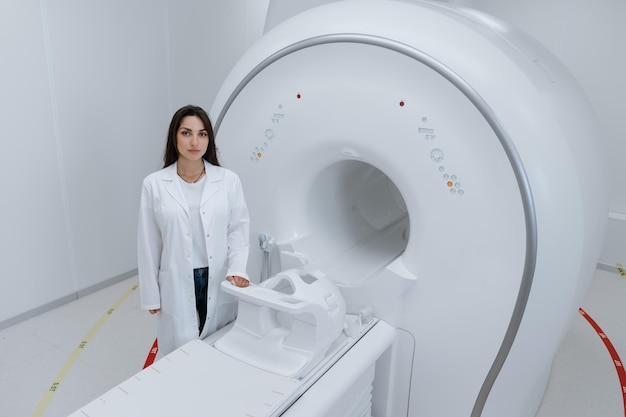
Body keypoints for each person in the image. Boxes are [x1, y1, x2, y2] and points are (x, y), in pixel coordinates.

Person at [137, 104, 250, 356]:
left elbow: (238, 230)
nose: (194, 141)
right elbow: (149, 243)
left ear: (209, 139)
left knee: (219, 345)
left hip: (219, 276)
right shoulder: (154, 184)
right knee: (181, 352)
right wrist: (150, 294)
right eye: (186, 133)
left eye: (202, 134)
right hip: (176, 278)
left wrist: (238, 268)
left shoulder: (228, 180)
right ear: (174, 137)